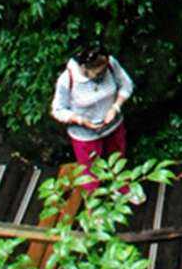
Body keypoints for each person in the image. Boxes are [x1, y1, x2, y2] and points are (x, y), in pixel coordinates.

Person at [49, 42, 134, 184]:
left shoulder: (110, 64)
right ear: (84, 68)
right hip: (85, 134)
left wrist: (115, 107)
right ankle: (94, 199)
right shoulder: (67, 80)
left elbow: (126, 84)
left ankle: (122, 189)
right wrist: (80, 120)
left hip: (113, 126)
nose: (103, 75)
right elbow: (57, 109)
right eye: (98, 73)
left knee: (118, 161)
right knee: (90, 172)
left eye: (105, 70)